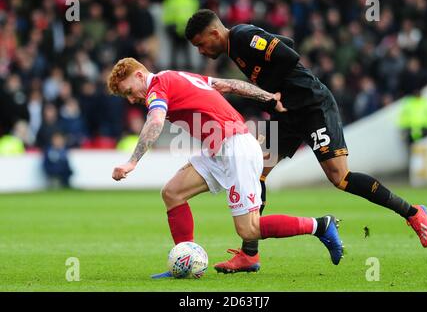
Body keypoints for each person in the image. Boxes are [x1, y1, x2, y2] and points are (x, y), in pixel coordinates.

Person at [184, 9, 427, 273]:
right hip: (287, 114)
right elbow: (286, 43)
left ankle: (413, 212)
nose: (200, 51)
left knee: (340, 178)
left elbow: (288, 54)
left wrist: (273, 90)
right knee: (256, 170)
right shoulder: (236, 46)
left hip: (312, 107)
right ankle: (249, 254)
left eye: (200, 44)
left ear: (214, 33)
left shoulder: (243, 38)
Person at [107, 57, 344, 277]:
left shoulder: (157, 86)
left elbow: (156, 119)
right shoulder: (177, 77)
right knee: (173, 193)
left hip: (235, 148)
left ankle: (321, 225)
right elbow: (229, 85)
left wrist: (132, 161)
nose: (131, 99)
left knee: (249, 230)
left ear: (139, 75)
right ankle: (185, 259)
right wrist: (269, 97)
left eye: (129, 91)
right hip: (218, 149)